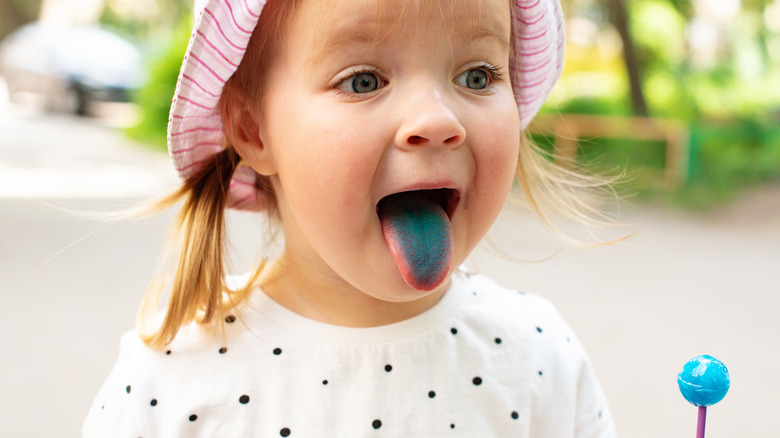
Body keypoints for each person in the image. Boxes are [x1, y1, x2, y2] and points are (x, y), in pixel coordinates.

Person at [83, 0, 618, 436]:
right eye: (364, 80)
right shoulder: (169, 380)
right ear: (253, 131)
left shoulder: (539, 357)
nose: (437, 119)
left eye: (477, 75)